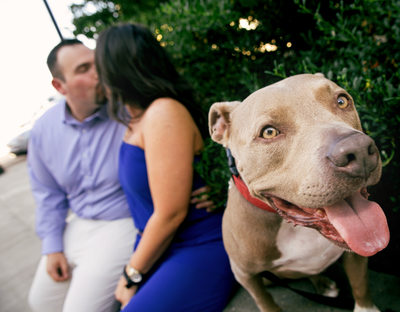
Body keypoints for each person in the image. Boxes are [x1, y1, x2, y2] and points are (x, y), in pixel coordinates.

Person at [27, 39, 214, 312]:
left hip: (123, 220)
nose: (97, 72)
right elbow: (47, 194)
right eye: (83, 68)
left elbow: (189, 145)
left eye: (96, 62)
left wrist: (217, 183)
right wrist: (52, 244)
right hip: (78, 221)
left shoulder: (131, 111)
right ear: (60, 86)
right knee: (39, 302)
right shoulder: (44, 130)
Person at [95, 23, 237, 311]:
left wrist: (131, 274)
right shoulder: (136, 118)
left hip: (197, 246)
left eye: (98, 66)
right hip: (161, 248)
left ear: (115, 69)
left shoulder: (163, 112)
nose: (98, 77)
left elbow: (170, 213)